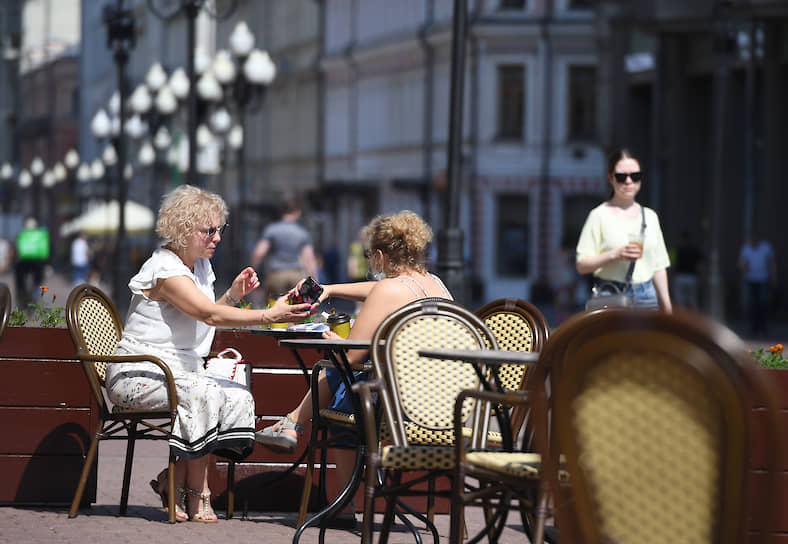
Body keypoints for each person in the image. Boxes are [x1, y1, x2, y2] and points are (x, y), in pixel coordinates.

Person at [105, 185, 316, 523]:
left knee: (234, 396)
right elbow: (208, 316)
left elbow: (204, 316)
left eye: (220, 229)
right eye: (209, 230)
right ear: (184, 230)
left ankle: (174, 482)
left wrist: (232, 295)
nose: (217, 237)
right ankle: (195, 491)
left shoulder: (199, 267)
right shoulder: (165, 268)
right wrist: (268, 315)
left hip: (180, 372)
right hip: (139, 373)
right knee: (205, 392)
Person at [254, 210, 452, 520]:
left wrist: (333, 341)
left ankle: (302, 437)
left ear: (377, 255)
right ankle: (292, 424)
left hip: (399, 410)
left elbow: (351, 356)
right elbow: (386, 290)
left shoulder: (389, 289)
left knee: (341, 380)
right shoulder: (436, 285)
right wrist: (330, 289)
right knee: (349, 387)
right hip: (445, 405)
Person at [576, 148, 672, 312]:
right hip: (610, 294)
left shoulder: (650, 216)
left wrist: (667, 307)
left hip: (646, 297)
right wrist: (615, 254)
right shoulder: (599, 215)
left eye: (635, 176)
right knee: (613, 339)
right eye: (621, 177)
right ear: (610, 178)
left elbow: (658, 266)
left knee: (646, 339)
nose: (629, 182)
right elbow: (582, 265)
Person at [250, 198, 318, 302]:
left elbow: (259, 252)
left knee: (273, 310)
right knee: (297, 311)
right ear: (297, 212)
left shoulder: (272, 229)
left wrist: (253, 270)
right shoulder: (302, 232)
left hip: (276, 275)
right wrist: (314, 280)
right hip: (296, 275)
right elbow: (309, 259)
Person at [738, 232, 776, 335]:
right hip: (750, 279)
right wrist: (744, 270)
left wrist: (773, 276)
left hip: (763, 278)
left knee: (762, 302)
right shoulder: (746, 248)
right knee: (752, 303)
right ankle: (754, 326)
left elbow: (771, 262)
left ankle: (763, 326)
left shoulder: (766, 247)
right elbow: (742, 263)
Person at [672, 230, 702, 309]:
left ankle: (681, 318)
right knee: (692, 300)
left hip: (680, 276)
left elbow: (672, 264)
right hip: (692, 277)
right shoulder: (695, 250)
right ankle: (693, 318)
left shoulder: (678, 250)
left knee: (680, 300)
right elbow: (700, 265)